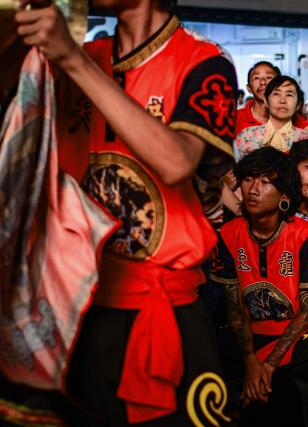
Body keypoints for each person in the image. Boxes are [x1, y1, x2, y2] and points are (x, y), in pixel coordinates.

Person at [15, 0, 238, 425]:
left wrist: (73, 59)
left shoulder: (204, 62)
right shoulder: (83, 54)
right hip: (75, 306)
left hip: (165, 311)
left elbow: (176, 161)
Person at [209, 147, 308, 427]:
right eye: (247, 180)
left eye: (266, 182)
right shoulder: (229, 235)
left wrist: (267, 365)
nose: (253, 189)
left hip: (296, 335)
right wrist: (250, 362)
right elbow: (233, 307)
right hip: (248, 334)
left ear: (284, 195)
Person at [235, 75, 308, 160]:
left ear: (298, 104)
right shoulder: (246, 135)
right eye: (276, 94)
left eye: (289, 95)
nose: (282, 100)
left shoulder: (306, 139)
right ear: (266, 101)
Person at [235, 61, 308, 137]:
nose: (263, 82)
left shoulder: (291, 116)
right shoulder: (235, 118)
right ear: (249, 88)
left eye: (269, 77)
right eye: (257, 78)